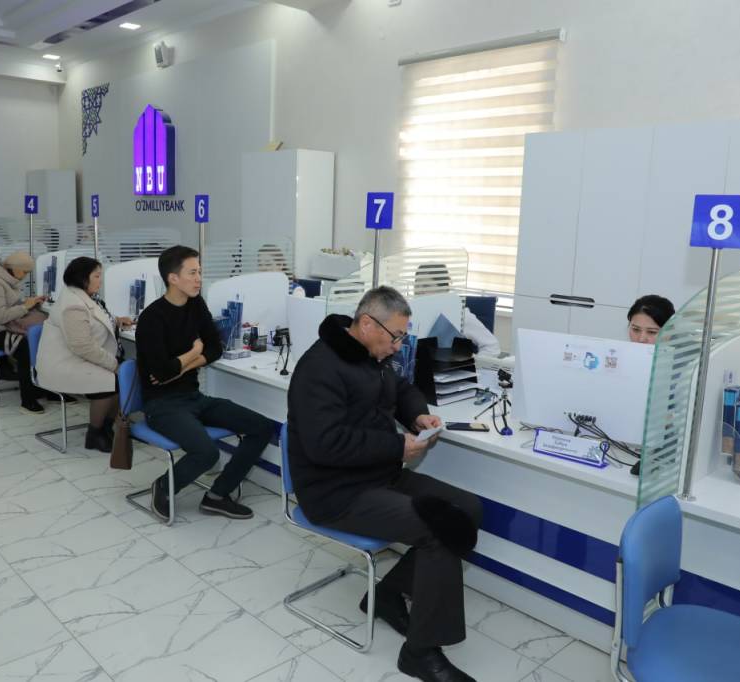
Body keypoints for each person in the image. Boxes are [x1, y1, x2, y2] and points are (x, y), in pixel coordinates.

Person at [287, 286, 483, 682]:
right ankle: (420, 653)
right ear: (366, 324)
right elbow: (325, 444)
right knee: (439, 528)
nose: (397, 346)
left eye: (402, 338)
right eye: (395, 337)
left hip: (377, 474)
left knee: (467, 509)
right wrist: (397, 446)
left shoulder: (371, 355)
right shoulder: (319, 368)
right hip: (335, 491)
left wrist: (418, 416)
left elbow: (402, 389)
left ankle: (389, 594)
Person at [135, 245, 273, 520]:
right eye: (192, 273)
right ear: (173, 278)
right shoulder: (152, 318)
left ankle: (217, 496)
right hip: (162, 404)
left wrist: (182, 366)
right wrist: (194, 352)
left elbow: (215, 348)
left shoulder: (196, 304)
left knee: (262, 427)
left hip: (194, 397)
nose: (199, 278)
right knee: (207, 453)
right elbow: (161, 372)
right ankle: (163, 486)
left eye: (199, 272)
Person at [36, 257, 134, 452]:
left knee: (124, 376)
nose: (101, 281)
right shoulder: (73, 304)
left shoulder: (83, 296)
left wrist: (116, 321)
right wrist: (114, 365)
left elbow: (93, 318)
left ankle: (106, 428)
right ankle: (95, 434)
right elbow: (82, 346)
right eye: (97, 276)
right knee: (114, 380)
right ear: (82, 278)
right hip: (65, 363)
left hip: (78, 357)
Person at [0, 251, 48, 414]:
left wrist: (31, 302)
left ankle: (42, 388)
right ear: (15, 268)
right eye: (25, 272)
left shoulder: (7, 280)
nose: (25, 276)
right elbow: (0, 316)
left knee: (41, 341)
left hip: (5, 328)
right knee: (25, 347)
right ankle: (27, 400)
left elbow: (10, 305)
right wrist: (25, 306)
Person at [414, 263, 501, 355]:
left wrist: (474, 362)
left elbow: (492, 347)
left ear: (444, 289)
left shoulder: (460, 315)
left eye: (426, 286)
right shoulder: (414, 313)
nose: (419, 291)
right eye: (416, 286)